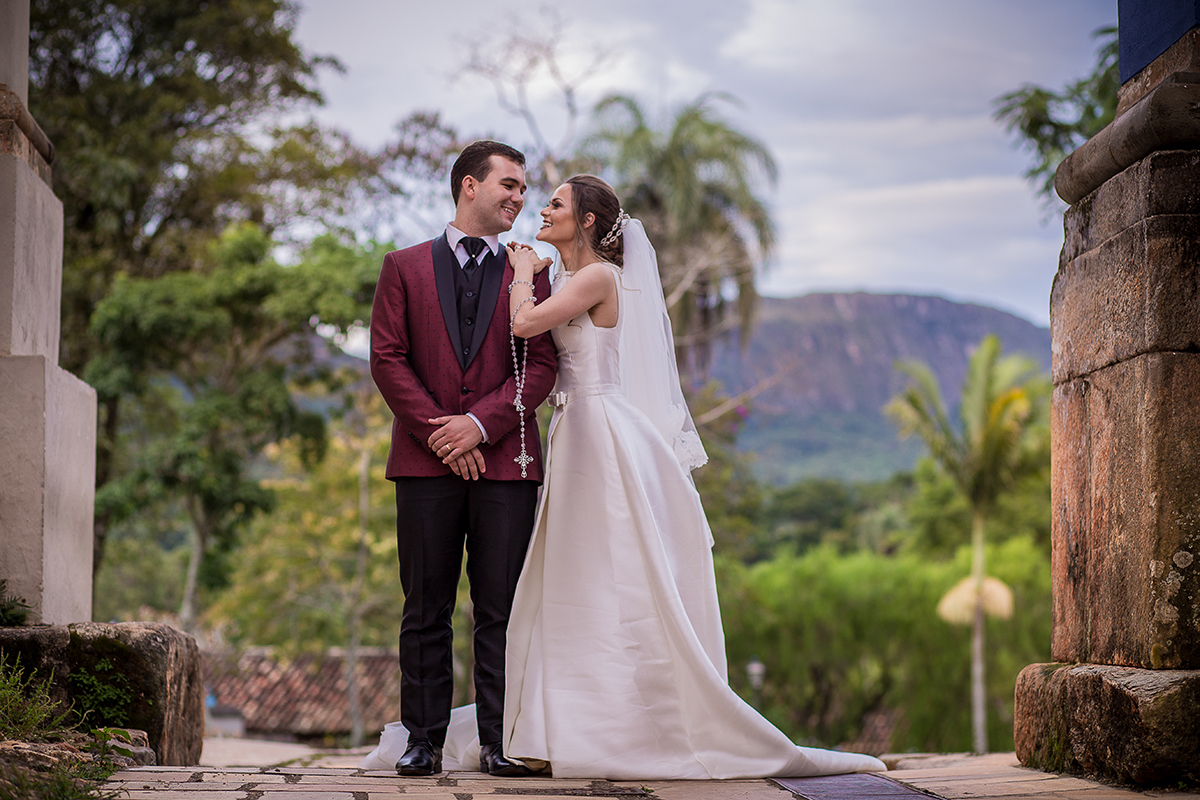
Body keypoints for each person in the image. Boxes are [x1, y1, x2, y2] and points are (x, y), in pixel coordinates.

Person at [368, 140, 558, 778]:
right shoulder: (403, 266)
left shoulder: (533, 272)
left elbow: (544, 367)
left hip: (508, 463)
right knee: (425, 605)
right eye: (509, 184)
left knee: (500, 607)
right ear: (468, 187)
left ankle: (498, 741)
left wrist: (480, 426)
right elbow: (387, 359)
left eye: (524, 189)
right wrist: (441, 435)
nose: (519, 197)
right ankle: (421, 740)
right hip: (424, 466)